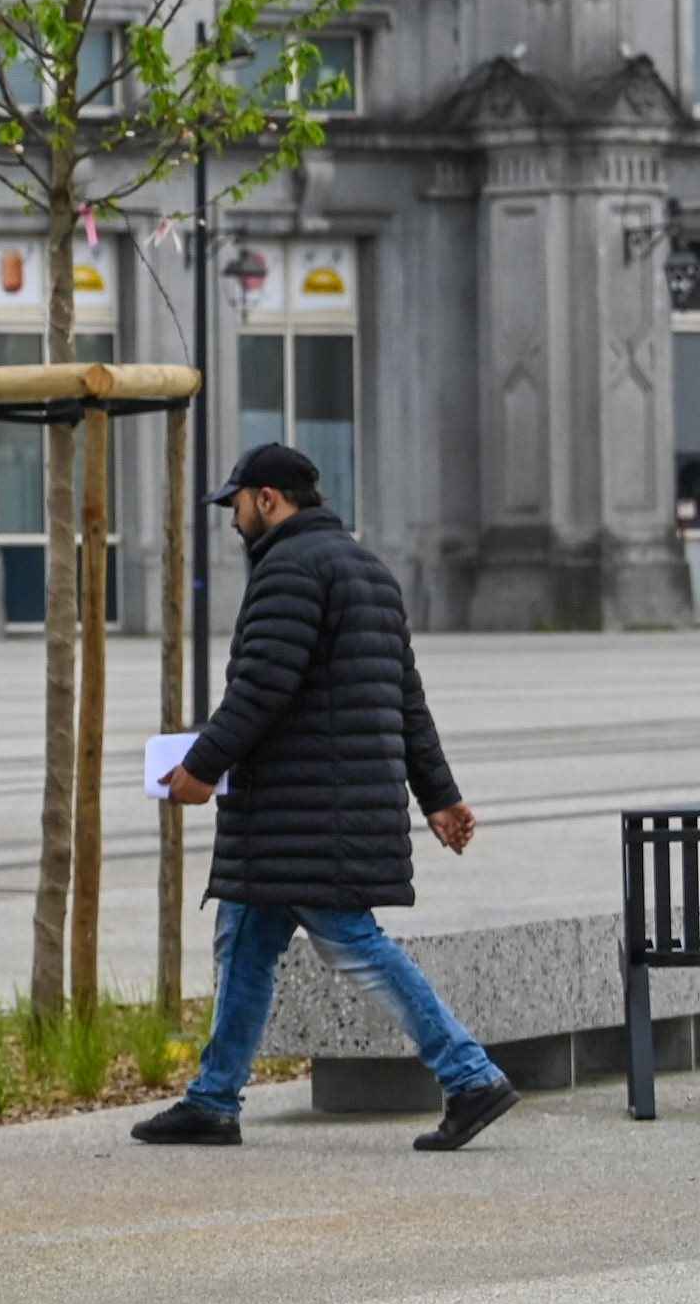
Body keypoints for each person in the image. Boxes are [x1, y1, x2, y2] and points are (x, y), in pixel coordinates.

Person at [130, 442, 514, 1152]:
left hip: (305, 814)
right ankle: (213, 1099)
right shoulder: (366, 568)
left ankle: (469, 1074)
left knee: (353, 943)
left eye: (237, 504)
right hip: (301, 813)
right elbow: (405, 697)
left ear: (268, 499)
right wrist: (439, 795)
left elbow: (260, 688)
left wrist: (200, 767)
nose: (234, 518)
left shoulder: (290, 569)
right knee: (244, 938)